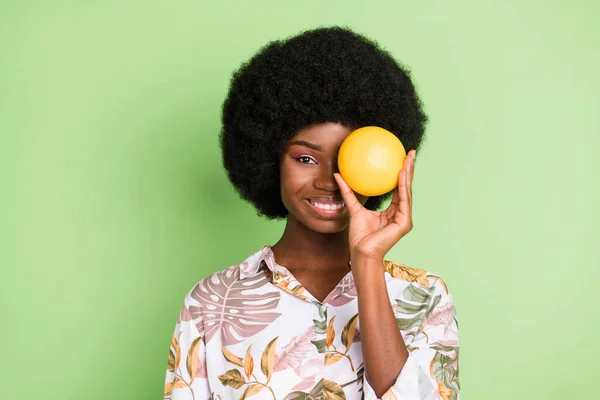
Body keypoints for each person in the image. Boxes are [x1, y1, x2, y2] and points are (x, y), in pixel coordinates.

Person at [164, 26, 459, 400]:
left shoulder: (425, 296)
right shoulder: (210, 302)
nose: (329, 180)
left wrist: (367, 262)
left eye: (347, 160)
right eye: (306, 158)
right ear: (269, 161)